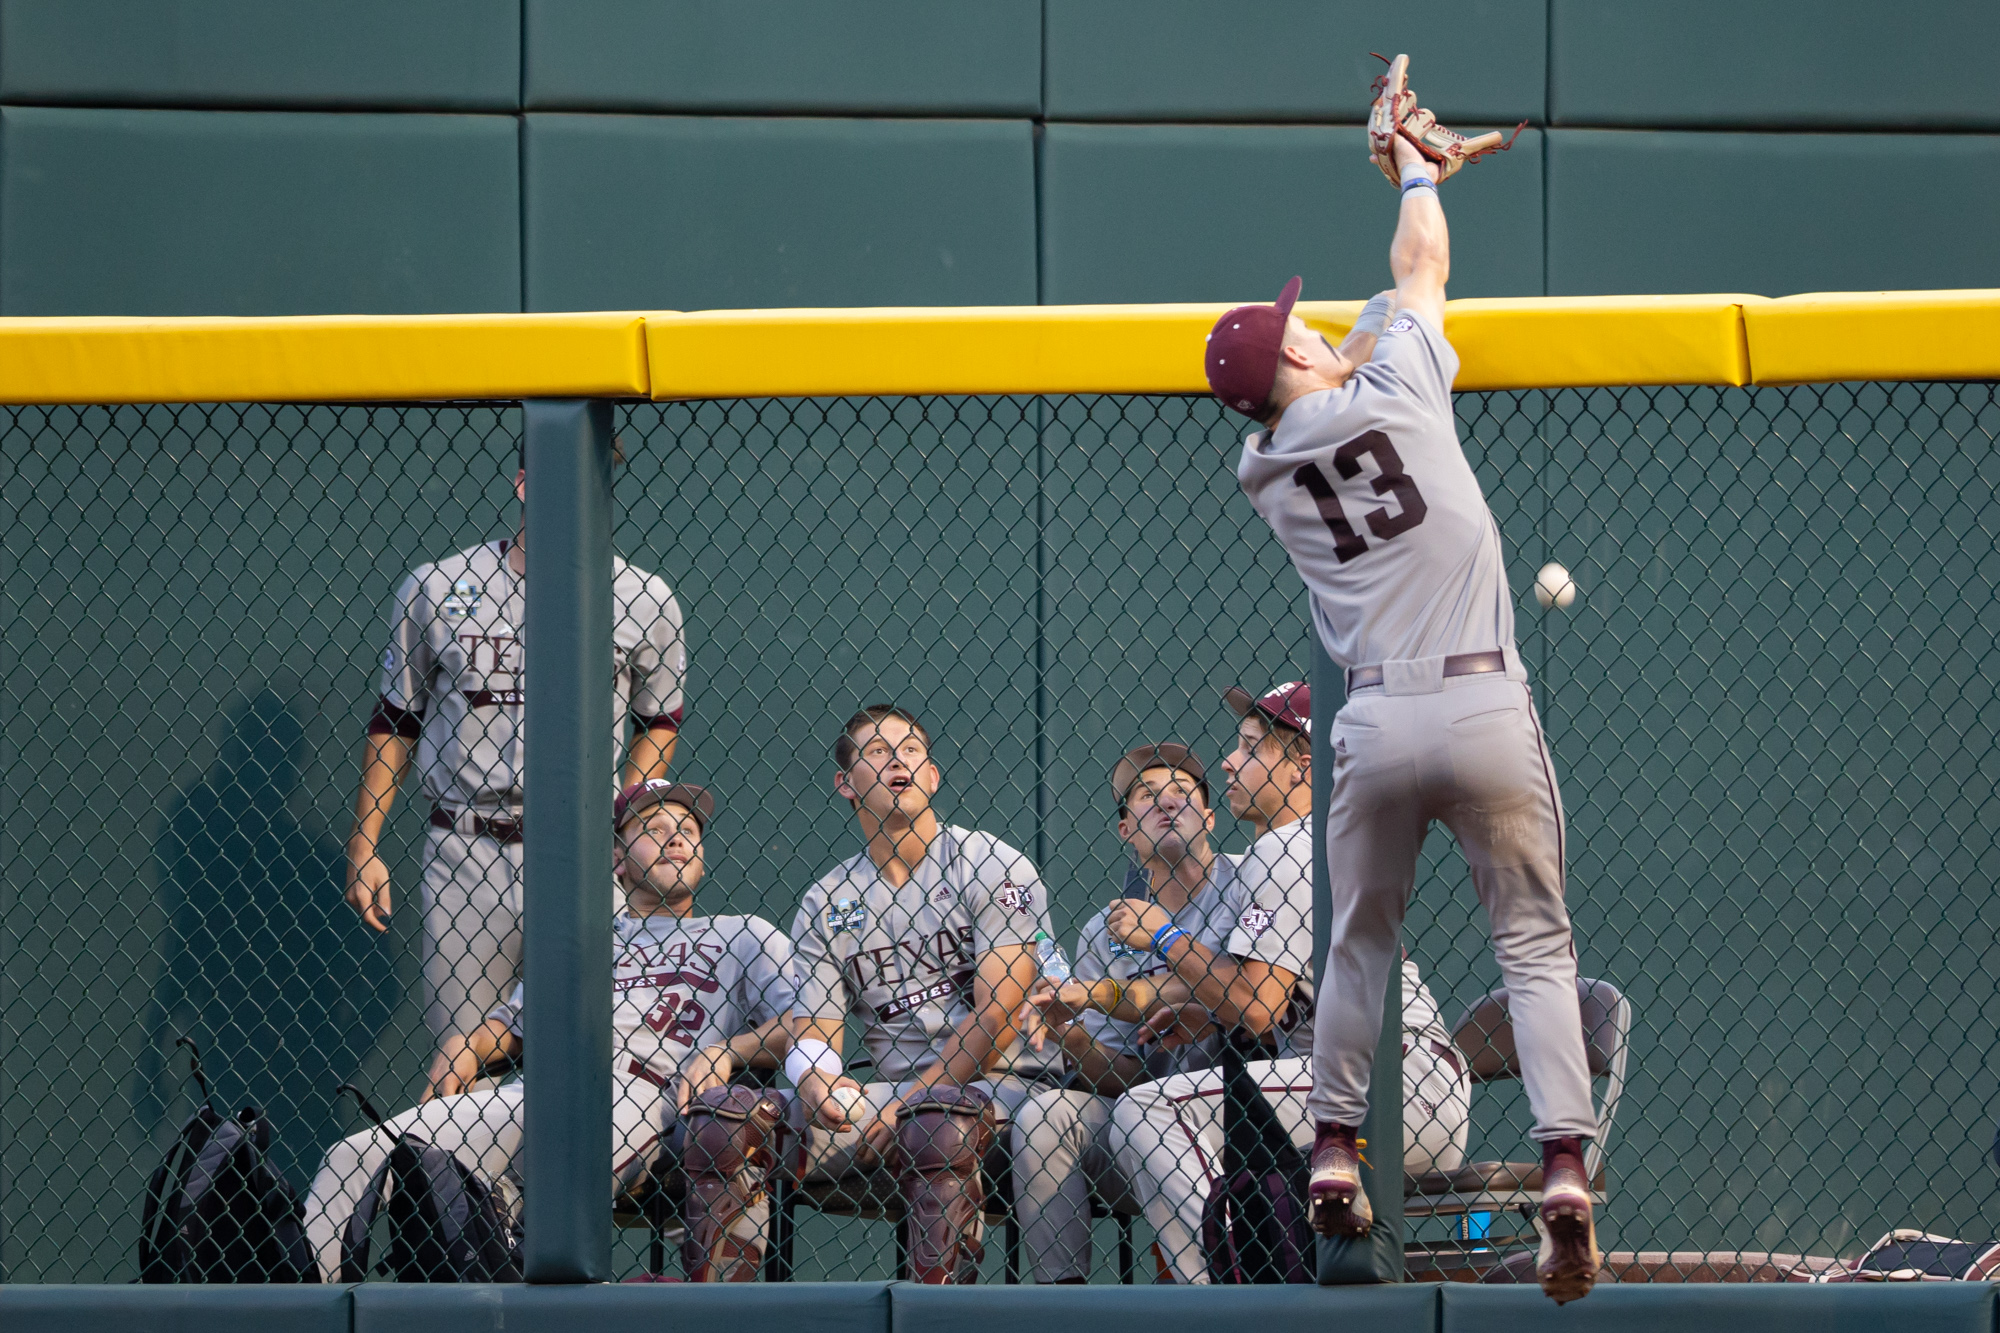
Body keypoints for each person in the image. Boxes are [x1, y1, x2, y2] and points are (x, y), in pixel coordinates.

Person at [1204, 116, 1600, 1302]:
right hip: (1480, 703)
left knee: (1355, 945)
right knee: (1532, 945)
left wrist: (1352, 331)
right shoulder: (1393, 380)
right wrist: (1417, 171)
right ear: (1297, 361)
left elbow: (1362, 327)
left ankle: (1333, 1144)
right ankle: (1565, 1166)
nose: (1318, 325)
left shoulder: (1260, 468)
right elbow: (1415, 267)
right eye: (1300, 329)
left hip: (1370, 729)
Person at [303, 779, 793, 1283]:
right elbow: (513, 1031)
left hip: (647, 1095)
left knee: (529, 1208)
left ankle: (505, 1257)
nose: (676, 839)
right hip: (536, 1091)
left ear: (703, 856)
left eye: (688, 830)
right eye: (654, 828)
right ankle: (301, 1308)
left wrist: (727, 1051)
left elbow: (806, 1024)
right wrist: (467, 1044)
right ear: (618, 858)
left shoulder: (744, 934)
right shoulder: (584, 940)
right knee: (354, 1154)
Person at [342, 444, 687, 1039]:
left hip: (584, 850)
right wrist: (365, 841)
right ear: (525, 485)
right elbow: (397, 719)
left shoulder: (643, 597)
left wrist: (626, 815)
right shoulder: (439, 585)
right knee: (462, 1053)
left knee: (602, 1046)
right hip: (465, 847)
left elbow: (658, 718)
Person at [786, 704, 1061, 1284]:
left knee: (935, 1124)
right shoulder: (826, 901)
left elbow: (1000, 1014)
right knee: (736, 1127)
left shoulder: (991, 864)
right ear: (846, 784)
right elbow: (816, 1029)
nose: (897, 761)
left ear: (932, 776)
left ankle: (946, 1313)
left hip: (1008, 1086)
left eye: (910, 750)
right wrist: (817, 1081)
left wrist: (912, 1099)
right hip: (888, 1096)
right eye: (878, 751)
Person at [1008, 743, 1247, 1284]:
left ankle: (1216, 1291)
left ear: (1209, 817)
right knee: (1046, 1116)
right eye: (1146, 795)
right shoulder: (1103, 930)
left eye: (1182, 792)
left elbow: (1249, 997)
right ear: (1124, 831)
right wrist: (1068, 1034)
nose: (1166, 803)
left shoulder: (1250, 885)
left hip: (1242, 1111)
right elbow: (1122, 1077)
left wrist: (1106, 990)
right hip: (1146, 1118)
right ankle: (1061, 1306)